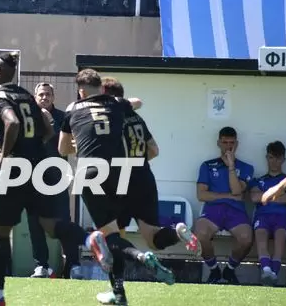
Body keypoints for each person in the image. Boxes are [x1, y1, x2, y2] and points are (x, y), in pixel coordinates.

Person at [0, 52, 110, 306]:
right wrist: (33, 147)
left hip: (16, 168)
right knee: (50, 225)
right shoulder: (26, 95)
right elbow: (47, 126)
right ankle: (89, 239)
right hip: (39, 167)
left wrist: (5, 155)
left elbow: (12, 123)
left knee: (1, 232)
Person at [58, 69, 174, 306]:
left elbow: (62, 149)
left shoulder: (72, 108)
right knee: (117, 233)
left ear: (81, 92)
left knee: (110, 235)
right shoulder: (116, 104)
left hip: (91, 171)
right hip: (121, 172)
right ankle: (118, 293)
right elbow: (137, 102)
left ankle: (141, 258)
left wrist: (78, 143)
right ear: (101, 88)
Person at [100, 77, 200, 262]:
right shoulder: (135, 117)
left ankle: (119, 276)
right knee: (154, 239)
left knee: (114, 234)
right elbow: (154, 150)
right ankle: (176, 232)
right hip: (144, 176)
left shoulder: (109, 119)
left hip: (121, 177)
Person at [194, 126, 255, 285]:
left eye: (232, 143)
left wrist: (231, 166)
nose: (228, 146)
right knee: (200, 234)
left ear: (237, 144)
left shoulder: (246, 167)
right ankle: (214, 270)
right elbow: (201, 195)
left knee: (246, 238)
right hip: (213, 210)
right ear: (218, 143)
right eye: (225, 142)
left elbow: (237, 191)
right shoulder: (207, 165)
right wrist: (227, 196)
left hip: (236, 211)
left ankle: (229, 269)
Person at [27, 82, 72, 279]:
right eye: (41, 95)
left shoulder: (63, 118)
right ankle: (41, 266)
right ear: (35, 97)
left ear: (53, 97)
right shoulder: (28, 118)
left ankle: (72, 265)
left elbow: (68, 145)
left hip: (57, 178)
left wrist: (50, 123)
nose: (44, 97)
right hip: (33, 179)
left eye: (48, 94)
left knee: (63, 222)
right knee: (35, 223)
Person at [249, 141, 286, 286]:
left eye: (278, 158)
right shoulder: (258, 180)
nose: (274, 162)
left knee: (280, 237)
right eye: (271, 157)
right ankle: (266, 271)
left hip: (283, 217)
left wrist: (266, 196)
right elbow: (254, 197)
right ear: (267, 158)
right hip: (262, 216)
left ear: (283, 159)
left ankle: (274, 273)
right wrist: (279, 196)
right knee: (260, 234)